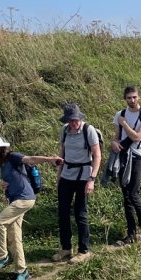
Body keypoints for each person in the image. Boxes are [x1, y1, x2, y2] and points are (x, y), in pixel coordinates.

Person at [0, 136, 63, 280]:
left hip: (24, 198)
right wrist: (5, 184)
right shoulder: (3, 163)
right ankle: (22, 271)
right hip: (15, 200)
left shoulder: (13, 156)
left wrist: (50, 159)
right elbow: (14, 179)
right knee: (14, 236)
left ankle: (1, 257)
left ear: (1, 148)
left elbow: (31, 159)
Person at [54, 104, 101, 263]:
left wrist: (92, 179)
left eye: (77, 119)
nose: (75, 123)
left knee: (80, 213)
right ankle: (66, 248)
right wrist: (59, 174)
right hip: (67, 175)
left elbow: (97, 156)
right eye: (71, 120)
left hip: (83, 176)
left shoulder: (89, 130)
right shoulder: (65, 130)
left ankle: (84, 250)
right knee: (63, 212)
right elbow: (63, 151)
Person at [109, 86, 141, 247]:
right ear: (125, 98)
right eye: (129, 98)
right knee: (126, 196)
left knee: (133, 193)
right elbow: (117, 137)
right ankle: (131, 233)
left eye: (134, 97)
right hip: (123, 156)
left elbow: (136, 137)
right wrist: (114, 143)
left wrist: (124, 124)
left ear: (139, 97)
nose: (132, 100)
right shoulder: (120, 114)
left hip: (138, 157)